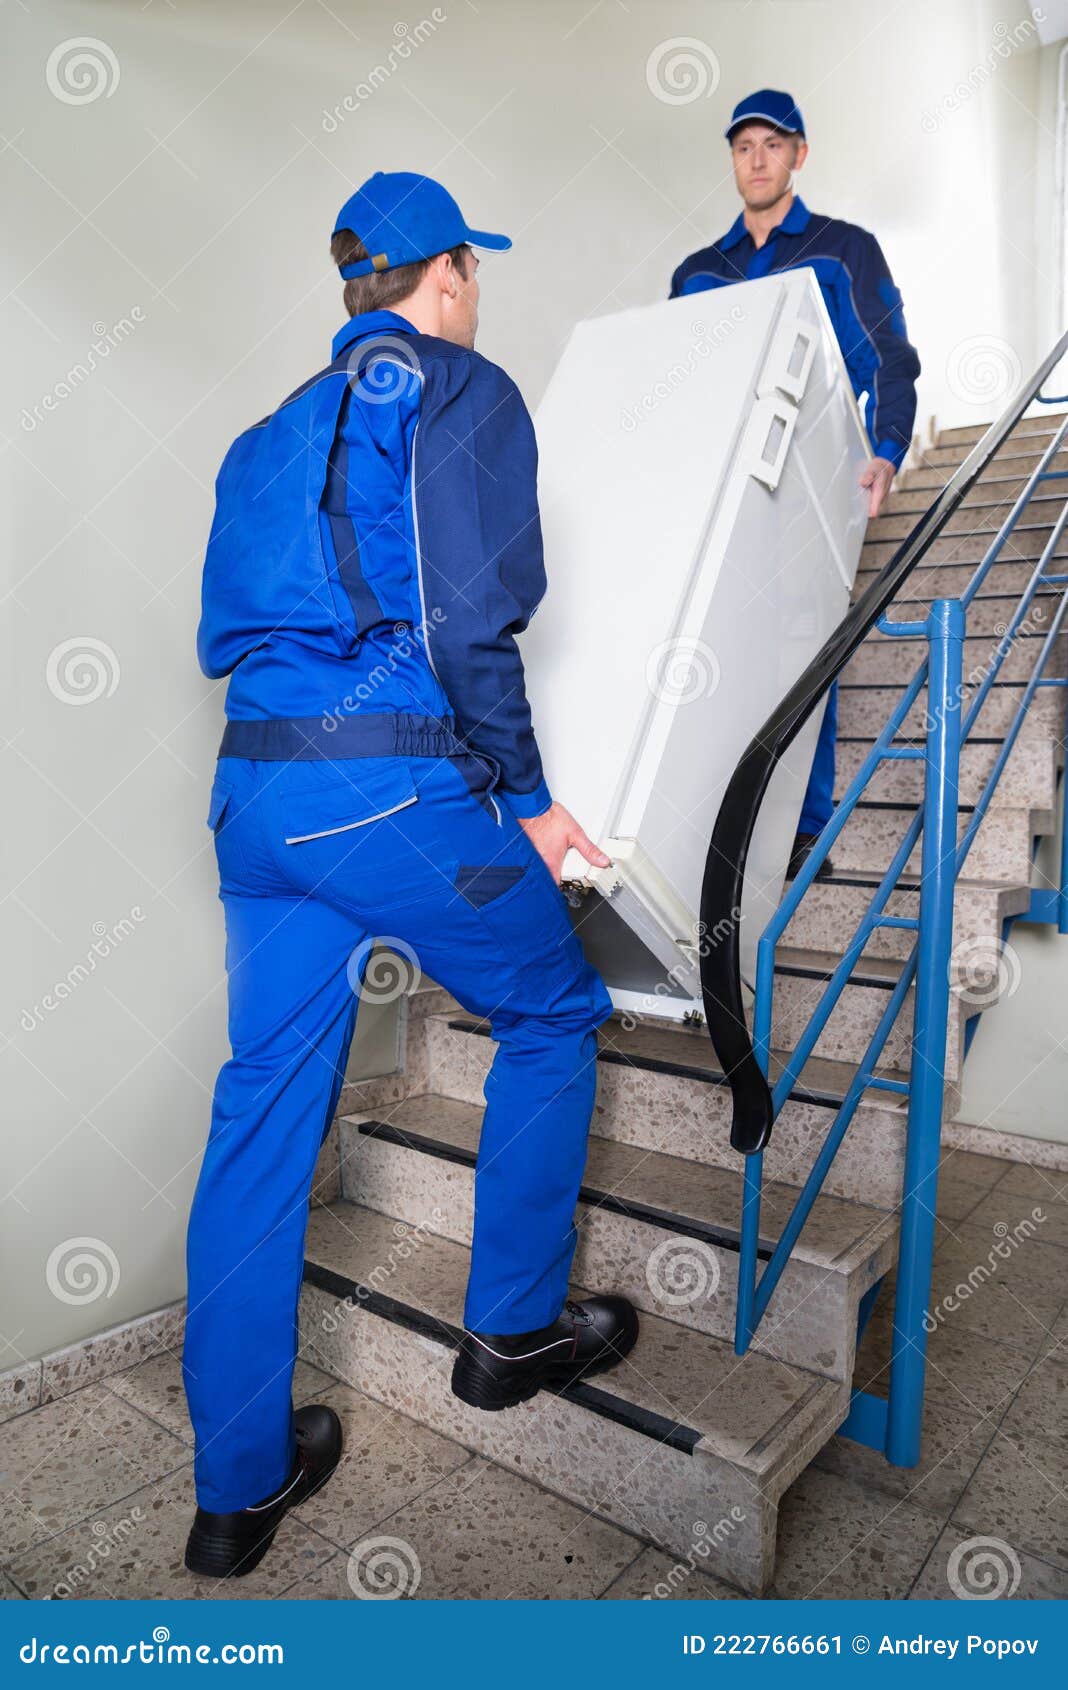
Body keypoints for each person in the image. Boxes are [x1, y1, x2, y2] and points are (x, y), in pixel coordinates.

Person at [183, 170, 638, 1579]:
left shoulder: (267, 431)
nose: (478, 295)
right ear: (445, 273)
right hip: (379, 779)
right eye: (473, 271)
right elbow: (466, 613)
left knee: (264, 1105)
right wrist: (531, 801)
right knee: (557, 1014)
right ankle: (509, 1332)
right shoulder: (458, 386)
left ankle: (236, 1491)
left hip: (255, 795)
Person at [670, 89, 920, 880]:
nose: (756, 158)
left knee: (807, 651)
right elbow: (677, 381)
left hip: (813, 481)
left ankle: (806, 827)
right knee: (716, 651)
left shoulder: (846, 249)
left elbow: (892, 358)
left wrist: (885, 448)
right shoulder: (696, 272)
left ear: (799, 154)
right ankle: (716, 825)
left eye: (771, 144)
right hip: (722, 491)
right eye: (743, 145)